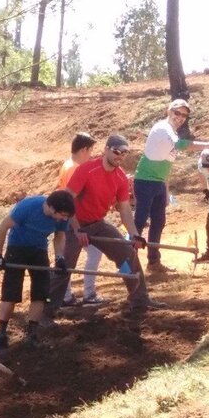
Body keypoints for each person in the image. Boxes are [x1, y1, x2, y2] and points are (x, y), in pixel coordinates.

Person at [45, 134, 164, 321]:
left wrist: (134, 234)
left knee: (127, 254)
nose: (120, 156)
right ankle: (47, 312)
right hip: (73, 223)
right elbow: (68, 200)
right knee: (65, 266)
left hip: (98, 224)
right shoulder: (87, 170)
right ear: (106, 149)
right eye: (117, 151)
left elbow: (124, 209)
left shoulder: (120, 178)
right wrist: (77, 229)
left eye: (124, 153)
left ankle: (139, 299)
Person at [133, 98, 209, 273]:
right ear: (169, 111)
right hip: (145, 181)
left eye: (184, 115)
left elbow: (166, 164)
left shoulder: (171, 131)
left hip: (158, 182)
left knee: (159, 222)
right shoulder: (162, 128)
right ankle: (128, 264)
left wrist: (165, 191)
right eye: (177, 112)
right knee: (139, 222)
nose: (180, 117)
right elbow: (180, 145)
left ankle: (153, 262)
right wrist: (207, 145)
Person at [0, 190, 75, 351]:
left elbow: (59, 236)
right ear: (51, 208)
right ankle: (1, 334)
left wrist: (60, 257)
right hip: (17, 248)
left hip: (39, 250)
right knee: (11, 293)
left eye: (66, 217)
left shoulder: (62, 217)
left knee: (41, 293)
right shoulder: (28, 206)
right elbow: (3, 226)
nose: (64, 219)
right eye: (63, 216)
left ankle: (32, 334)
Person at [58, 132, 104, 305]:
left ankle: (70, 295)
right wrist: (76, 226)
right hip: (73, 219)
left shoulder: (68, 165)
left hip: (70, 217)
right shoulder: (74, 168)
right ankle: (78, 294)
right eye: (91, 151)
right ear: (84, 149)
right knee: (77, 255)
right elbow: (71, 198)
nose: (91, 155)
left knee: (71, 256)